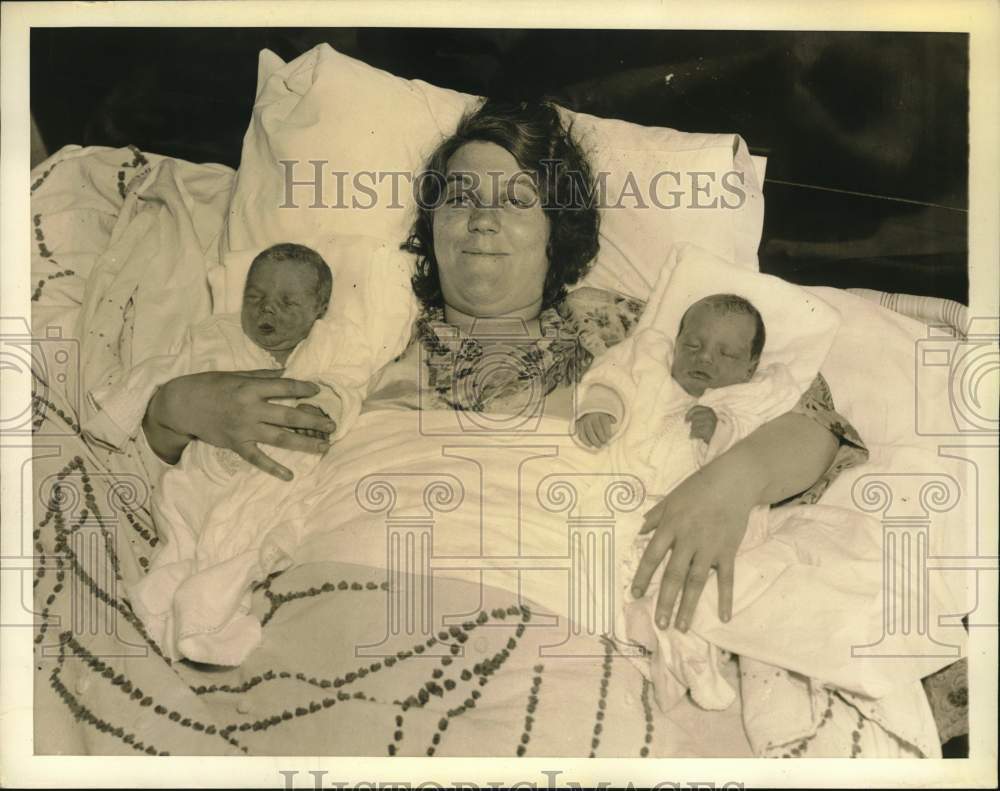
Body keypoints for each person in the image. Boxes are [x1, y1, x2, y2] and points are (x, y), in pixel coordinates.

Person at [136, 99, 867, 638]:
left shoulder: (631, 332)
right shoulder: (355, 334)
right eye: (461, 198)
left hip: (549, 627)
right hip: (329, 617)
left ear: (558, 234)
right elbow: (184, 457)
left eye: (516, 200)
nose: (481, 218)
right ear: (433, 227)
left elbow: (816, 418)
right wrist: (177, 404)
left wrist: (731, 482)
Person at [85, 242, 369, 664]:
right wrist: (117, 412)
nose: (266, 311)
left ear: (319, 308)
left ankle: (213, 620)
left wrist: (323, 406)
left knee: (248, 542)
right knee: (180, 533)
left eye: (288, 302)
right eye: (255, 298)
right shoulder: (216, 333)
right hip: (206, 466)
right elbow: (162, 371)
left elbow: (348, 385)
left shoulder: (331, 345)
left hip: (274, 476)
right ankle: (152, 607)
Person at [574, 292, 809, 709]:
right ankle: (650, 645)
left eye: (726, 353)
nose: (705, 359)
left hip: (713, 520)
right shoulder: (653, 370)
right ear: (677, 342)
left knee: (702, 589)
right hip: (642, 503)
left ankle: (691, 660)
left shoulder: (749, 401)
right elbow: (613, 377)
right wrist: (598, 408)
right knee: (615, 565)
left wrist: (721, 431)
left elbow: (763, 446)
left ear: (750, 367)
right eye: (693, 345)